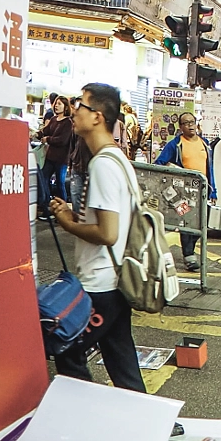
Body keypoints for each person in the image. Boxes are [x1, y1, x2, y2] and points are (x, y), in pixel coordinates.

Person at [49, 83, 147, 394]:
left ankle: (85, 418)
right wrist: (72, 213)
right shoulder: (116, 159)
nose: (74, 110)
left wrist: (66, 222)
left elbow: (107, 232)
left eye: (81, 105)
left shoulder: (103, 165)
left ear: (98, 117)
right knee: (122, 361)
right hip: (115, 280)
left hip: (101, 284)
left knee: (67, 350)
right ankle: (152, 425)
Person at [156, 110, 214, 270]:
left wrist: (213, 189)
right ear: (180, 127)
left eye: (192, 122)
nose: (190, 126)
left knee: (201, 224)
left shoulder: (205, 143)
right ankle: (189, 256)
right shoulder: (175, 144)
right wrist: (175, 171)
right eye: (186, 123)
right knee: (187, 222)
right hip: (182, 194)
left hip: (202, 192)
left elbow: (210, 168)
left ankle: (190, 252)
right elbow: (159, 163)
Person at [38, 93, 74, 210]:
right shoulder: (53, 119)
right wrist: (37, 134)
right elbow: (45, 130)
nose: (56, 106)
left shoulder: (68, 122)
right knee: (43, 178)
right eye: (56, 104)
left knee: (60, 183)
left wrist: (48, 139)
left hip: (61, 159)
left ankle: (63, 210)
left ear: (66, 107)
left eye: (60, 104)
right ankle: (47, 205)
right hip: (50, 156)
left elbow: (62, 140)